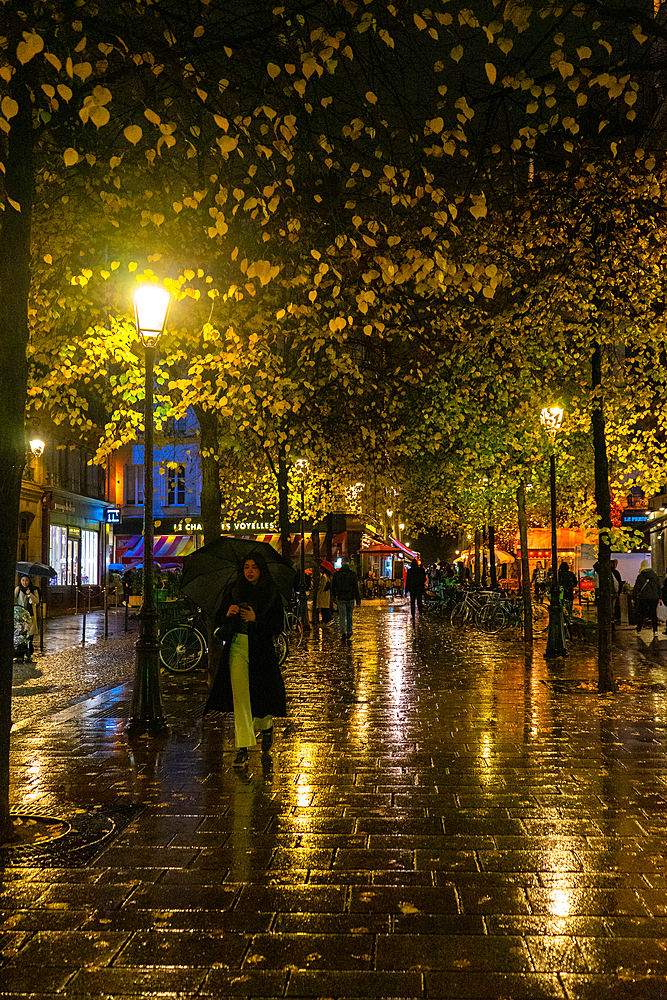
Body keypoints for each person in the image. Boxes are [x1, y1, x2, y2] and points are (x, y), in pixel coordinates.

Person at [204, 553, 286, 767]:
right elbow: (219, 619)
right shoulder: (233, 590)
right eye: (246, 567)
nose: (250, 571)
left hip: (261, 651)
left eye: (254, 567)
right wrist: (228, 613)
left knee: (259, 697)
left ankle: (266, 726)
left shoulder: (270, 592)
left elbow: (278, 626)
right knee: (240, 698)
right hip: (237, 648)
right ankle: (242, 748)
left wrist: (256, 619)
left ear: (262, 570)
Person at [332, 558, 361, 642]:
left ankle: (343, 632)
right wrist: (358, 598)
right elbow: (356, 587)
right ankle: (349, 631)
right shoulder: (352, 574)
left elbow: (333, 586)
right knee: (349, 615)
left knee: (342, 615)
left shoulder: (337, 574)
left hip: (341, 597)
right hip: (350, 597)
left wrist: (334, 596)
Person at [14, 575, 39, 662]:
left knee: (29, 635)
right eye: (23, 580)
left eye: (26, 580)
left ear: (29, 581)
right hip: (20, 616)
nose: (24, 582)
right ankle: (19, 655)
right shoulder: (18, 589)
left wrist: (30, 594)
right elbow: (14, 599)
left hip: (30, 615)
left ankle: (28, 654)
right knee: (20, 635)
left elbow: (36, 601)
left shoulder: (34, 589)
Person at [633, 560, 661, 637]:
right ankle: (655, 631)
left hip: (644, 598)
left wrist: (634, 596)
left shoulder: (641, 576)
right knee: (653, 614)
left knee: (641, 614)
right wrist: (660, 597)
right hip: (653, 598)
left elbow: (637, 587)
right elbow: (659, 587)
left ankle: (639, 630)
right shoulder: (655, 576)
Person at [314, 561, 334, 625]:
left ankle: (326, 620)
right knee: (324, 608)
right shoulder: (327, 576)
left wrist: (319, 592)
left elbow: (322, 586)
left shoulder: (324, 577)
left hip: (323, 594)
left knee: (324, 608)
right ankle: (326, 619)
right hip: (325, 594)